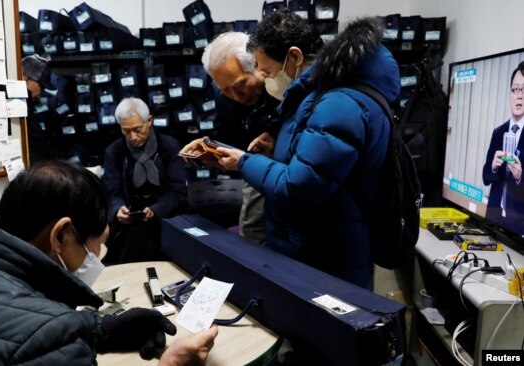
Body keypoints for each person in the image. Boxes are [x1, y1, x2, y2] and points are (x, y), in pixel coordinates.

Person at [0, 160, 218, 365]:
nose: (97, 257)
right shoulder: (52, 339)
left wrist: (101, 331)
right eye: (97, 244)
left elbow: (5, 334)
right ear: (60, 237)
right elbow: (36, 337)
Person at [184, 12, 401, 289]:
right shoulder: (313, 96)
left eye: (266, 71)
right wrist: (276, 149)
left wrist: (244, 162)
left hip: (329, 260)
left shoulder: (338, 103)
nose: (264, 79)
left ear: (295, 57)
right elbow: (317, 162)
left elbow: (303, 186)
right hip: (311, 250)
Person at [198, 31, 280, 244]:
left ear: (257, 66)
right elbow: (224, 134)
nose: (237, 97)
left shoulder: (282, 85)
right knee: (253, 233)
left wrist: (275, 136)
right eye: (226, 91)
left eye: (240, 85)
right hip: (253, 169)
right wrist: (209, 149)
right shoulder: (225, 95)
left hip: (288, 168)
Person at [102, 98, 188, 264]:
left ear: (149, 121)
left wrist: (156, 210)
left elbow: (177, 191)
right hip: (129, 223)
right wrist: (117, 209)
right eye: (126, 131)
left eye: (137, 129)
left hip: (165, 217)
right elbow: (112, 192)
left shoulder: (169, 146)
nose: (133, 137)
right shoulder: (115, 151)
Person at [482, 61, 524, 235]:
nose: (519, 96)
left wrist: (520, 176)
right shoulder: (498, 132)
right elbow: (485, 177)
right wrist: (493, 166)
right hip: (492, 219)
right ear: (509, 94)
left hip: (518, 225)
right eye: (516, 89)